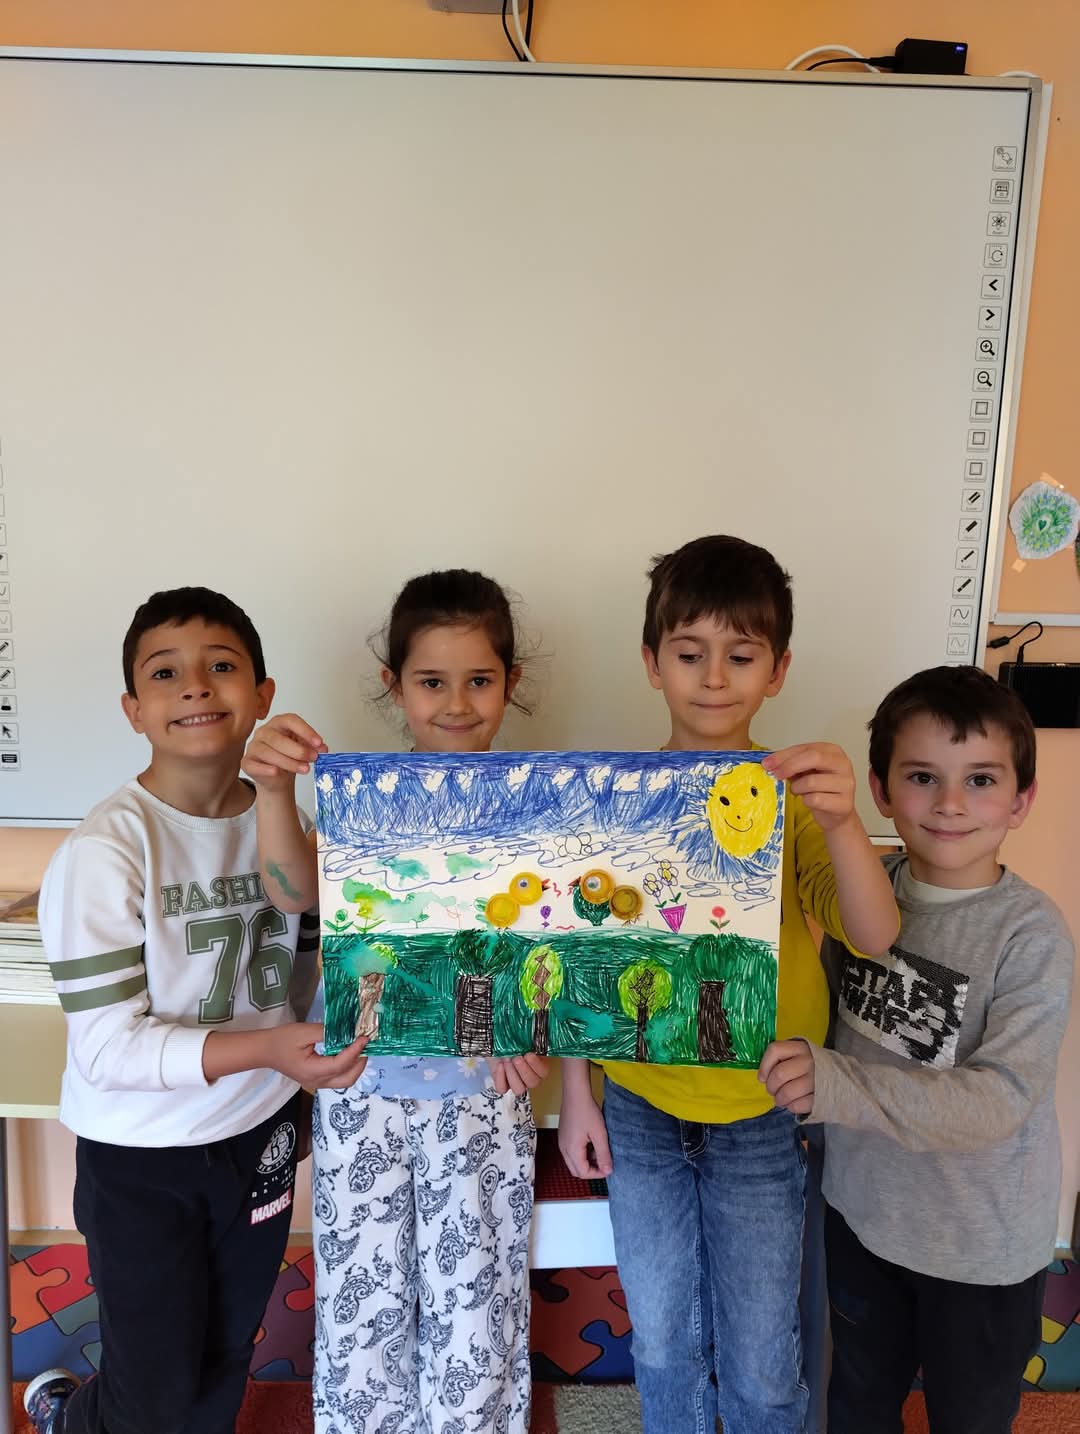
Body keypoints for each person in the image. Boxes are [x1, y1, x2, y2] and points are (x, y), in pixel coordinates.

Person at [558, 534, 898, 1434]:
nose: (714, 678)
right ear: (651, 663)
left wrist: (845, 823)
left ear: (778, 671)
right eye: (689, 653)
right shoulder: (615, 798)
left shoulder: (794, 802)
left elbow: (873, 934)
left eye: (741, 656)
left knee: (761, 1350)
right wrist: (577, 1095)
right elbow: (585, 961)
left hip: (759, 1107)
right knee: (663, 1337)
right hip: (639, 1100)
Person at [24, 586, 366, 1434]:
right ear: (133, 710)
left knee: (226, 1351)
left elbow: (309, 959)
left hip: (259, 1132)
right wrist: (274, 1051)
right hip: (142, 1155)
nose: (196, 687)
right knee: (153, 1389)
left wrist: (307, 1064)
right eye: (165, 673)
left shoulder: (286, 820)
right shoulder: (107, 849)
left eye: (221, 666)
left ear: (263, 693)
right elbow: (108, 1049)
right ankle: (72, 1418)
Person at [242, 568, 546, 1434]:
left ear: (511, 682)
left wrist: (536, 1034)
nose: (456, 703)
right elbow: (292, 892)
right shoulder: (362, 798)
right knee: (362, 1312)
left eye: (479, 679)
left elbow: (557, 953)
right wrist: (275, 791)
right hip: (363, 1088)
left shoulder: (540, 803)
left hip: (484, 1099)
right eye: (431, 681)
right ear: (395, 685)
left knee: (475, 1311)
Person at [761, 664, 1073, 1434]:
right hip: (863, 1218)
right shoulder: (864, 891)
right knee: (858, 1403)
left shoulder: (1031, 933)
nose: (951, 803)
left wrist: (833, 1086)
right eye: (923, 776)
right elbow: (831, 1023)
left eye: (981, 780)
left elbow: (999, 1100)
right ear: (881, 789)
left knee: (969, 1417)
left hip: (980, 1250)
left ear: (1022, 800)